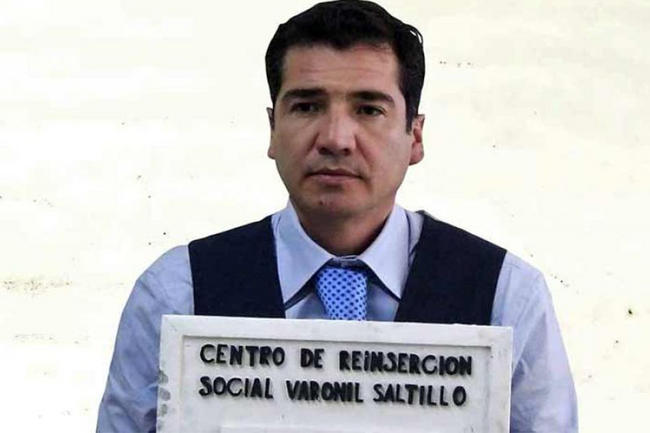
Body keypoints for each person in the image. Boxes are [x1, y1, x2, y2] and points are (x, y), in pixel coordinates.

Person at [97, 1, 578, 432]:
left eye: (368, 109)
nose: (336, 139)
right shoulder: (177, 294)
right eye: (307, 106)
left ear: (415, 137)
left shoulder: (506, 298)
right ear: (272, 129)